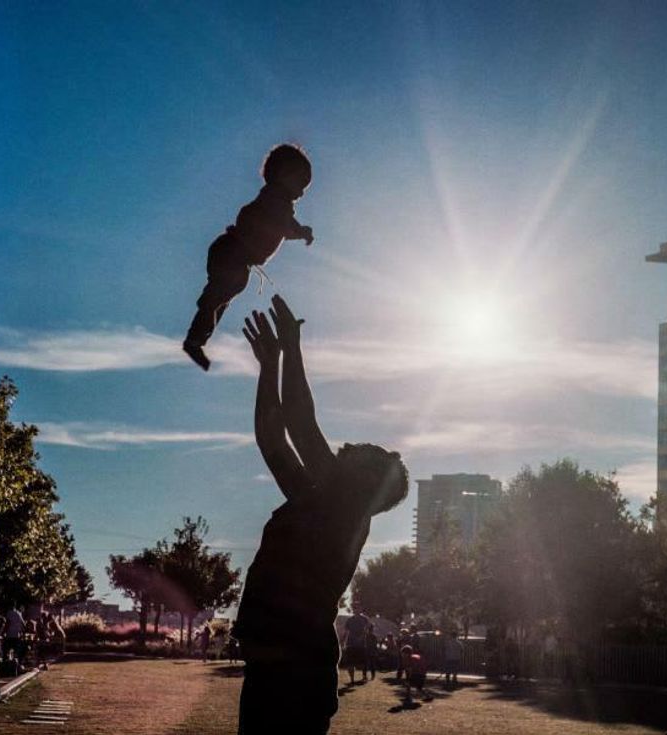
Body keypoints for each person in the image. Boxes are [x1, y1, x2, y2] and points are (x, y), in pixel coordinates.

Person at [232, 295, 409, 735]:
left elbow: (298, 421)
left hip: (295, 674)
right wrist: (269, 364)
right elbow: (273, 439)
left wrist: (291, 346)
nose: (351, 447)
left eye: (365, 453)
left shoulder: (345, 511)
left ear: (366, 483)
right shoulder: (320, 505)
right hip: (276, 667)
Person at [183, 145, 314, 371]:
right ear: (283, 175)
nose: (301, 193)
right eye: (300, 184)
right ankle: (201, 321)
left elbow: (283, 227)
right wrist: (301, 231)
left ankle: (197, 338)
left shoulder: (279, 204)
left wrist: (299, 232)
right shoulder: (275, 200)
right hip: (231, 252)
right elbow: (284, 225)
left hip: (235, 257)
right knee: (222, 293)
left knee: (224, 298)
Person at [342, 610, 369, 685]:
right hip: (351, 644)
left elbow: (366, 630)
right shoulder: (349, 620)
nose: (356, 609)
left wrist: (361, 637)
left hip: (361, 644)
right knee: (350, 663)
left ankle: (364, 676)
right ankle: (352, 679)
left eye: (358, 607)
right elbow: (346, 631)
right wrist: (343, 641)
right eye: (355, 608)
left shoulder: (364, 619)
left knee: (363, 662)